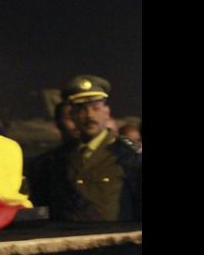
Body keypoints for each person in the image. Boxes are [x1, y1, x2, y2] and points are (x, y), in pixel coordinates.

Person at [30, 75, 141, 221]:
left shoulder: (127, 156)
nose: (89, 116)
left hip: (112, 240)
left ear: (106, 112)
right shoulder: (58, 159)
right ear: (73, 115)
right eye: (81, 109)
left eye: (96, 108)